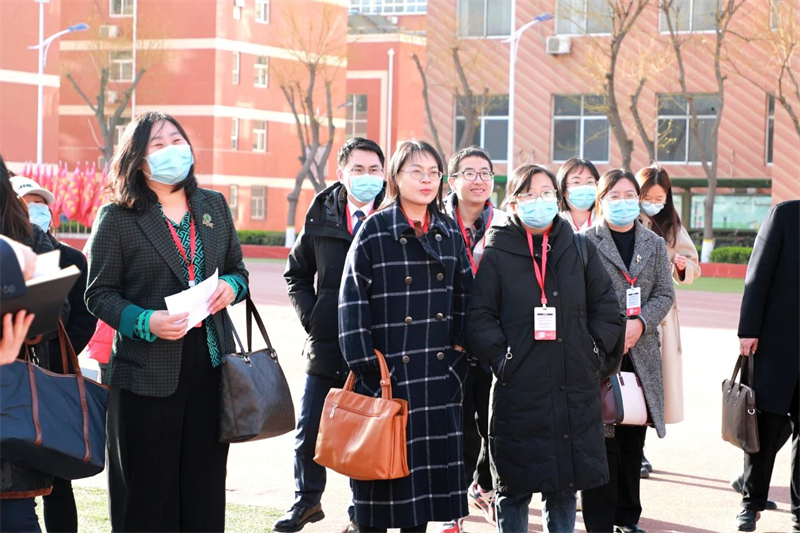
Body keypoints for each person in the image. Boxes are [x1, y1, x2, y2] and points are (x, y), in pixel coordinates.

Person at [85, 111, 249, 532]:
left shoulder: (213, 205)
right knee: (148, 497)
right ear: (138, 160)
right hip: (146, 375)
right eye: (157, 145)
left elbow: (238, 270)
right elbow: (98, 294)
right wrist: (146, 321)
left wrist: (231, 287)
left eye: (176, 141)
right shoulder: (117, 217)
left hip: (212, 369)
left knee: (203, 492)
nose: (171, 151)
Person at [465, 163, 623, 533]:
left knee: (564, 487)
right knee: (513, 488)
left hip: (573, 385)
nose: (540, 201)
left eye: (547, 193)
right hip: (518, 388)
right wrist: (503, 360)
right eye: (530, 194)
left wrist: (592, 355)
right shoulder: (498, 251)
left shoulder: (579, 247)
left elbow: (607, 308)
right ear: (514, 203)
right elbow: (480, 316)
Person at [338, 140, 472, 532]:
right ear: (396, 177)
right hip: (386, 377)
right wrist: (365, 363)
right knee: (377, 490)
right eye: (416, 171)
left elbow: (466, 296)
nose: (427, 180)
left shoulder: (448, 230)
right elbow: (351, 300)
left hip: (436, 377)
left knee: (422, 500)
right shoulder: (375, 229)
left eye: (433, 172)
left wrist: (460, 353)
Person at [278, 137, 386, 533]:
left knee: (368, 431)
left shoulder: (392, 216)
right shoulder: (321, 212)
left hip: (374, 346)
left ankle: (360, 513)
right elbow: (297, 273)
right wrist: (313, 317)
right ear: (341, 174)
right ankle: (307, 500)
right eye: (358, 169)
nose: (367, 177)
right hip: (325, 342)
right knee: (309, 429)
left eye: (374, 169)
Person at [580, 169, 675, 533]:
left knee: (632, 437)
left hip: (641, 352)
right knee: (600, 437)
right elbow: (576, 297)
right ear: (601, 200)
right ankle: (600, 521)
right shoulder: (584, 242)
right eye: (614, 196)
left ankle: (628, 517)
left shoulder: (653, 243)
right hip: (599, 353)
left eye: (629, 195)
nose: (623, 202)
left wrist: (640, 323)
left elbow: (664, 293)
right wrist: (613, 332)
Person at [12, 175, 98, 533]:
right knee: (16, 481)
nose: (36, 211)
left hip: (54, 381)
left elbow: (82, 319)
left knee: (58, 480)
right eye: (27, 204)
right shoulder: (8, 253)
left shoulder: (71, 258)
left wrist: (58, 359)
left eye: (41, 205)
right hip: (12, 381)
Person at [440, 146, 507, 531]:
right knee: (455, 428)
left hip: (493, 342)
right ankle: (452, 509)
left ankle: (487, 488)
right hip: (446, 343)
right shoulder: (435, 222)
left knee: (495, 424)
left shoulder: (506, 224)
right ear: (453, 180)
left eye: (485, 173)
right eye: (469, 172)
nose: (479, 180)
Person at [733, 200, 799, 533]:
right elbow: (757, 274)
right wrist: (748, 329)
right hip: (776, 344)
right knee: (764, 426)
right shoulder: (785, 215)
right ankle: (751, 504)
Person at [635, 164, 701, 478]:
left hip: (660, 317)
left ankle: (640, 449)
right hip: (627, 311)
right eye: (647, 197)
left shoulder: (671, 223)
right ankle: (631, 447)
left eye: (659, 198)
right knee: (628, 379)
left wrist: (683, 266)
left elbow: (693, 266)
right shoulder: (625, 217)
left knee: (653, 381)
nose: (653, 203)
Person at [0, 155, 54, 532]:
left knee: (16, 517)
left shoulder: (28, 237)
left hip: (14, 396)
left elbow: (58, 309)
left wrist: (28, 329)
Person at [557, 157, 600, 232]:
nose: (584, 187)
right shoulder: (554, 223)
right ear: (562, 187)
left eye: (590, 182)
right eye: (576, 182)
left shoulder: (606, 220)